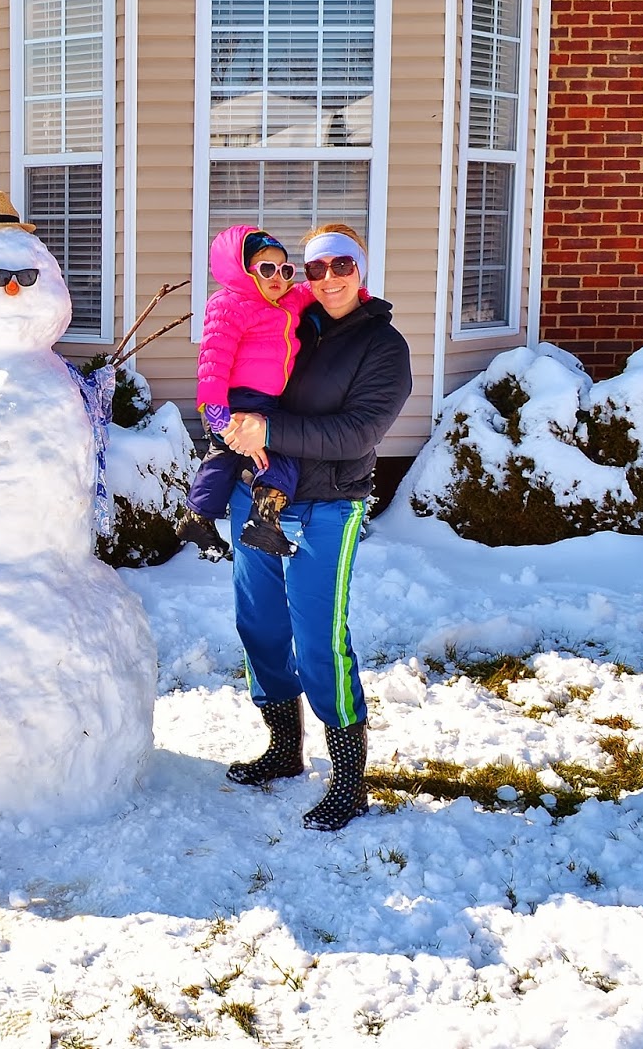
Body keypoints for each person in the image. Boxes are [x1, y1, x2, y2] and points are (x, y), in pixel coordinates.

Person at [219, 223, 411, 832]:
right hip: (259, 495)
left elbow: (359, 432)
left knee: (319, 641)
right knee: (260, 626)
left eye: (341, 265)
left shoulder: (383, 346)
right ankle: (284, 748)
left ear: (361, 269)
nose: (329, 278)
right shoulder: (290, 320)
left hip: (328, 505)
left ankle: (349, 780)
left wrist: (269, 431)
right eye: (316, 268)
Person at [179, 226, 315, 561]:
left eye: (285, 270)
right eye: (267, 268)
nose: (278, 277)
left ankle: (197, 517)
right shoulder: (229, 304)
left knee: (223, 458)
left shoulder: (286, 301)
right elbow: (213, 362)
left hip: (264, 399)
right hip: (237, 399)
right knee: (281, 450)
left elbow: (313, 291)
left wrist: (358, 293)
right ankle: (264, 520)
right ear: (243, 270)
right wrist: (217, 414)